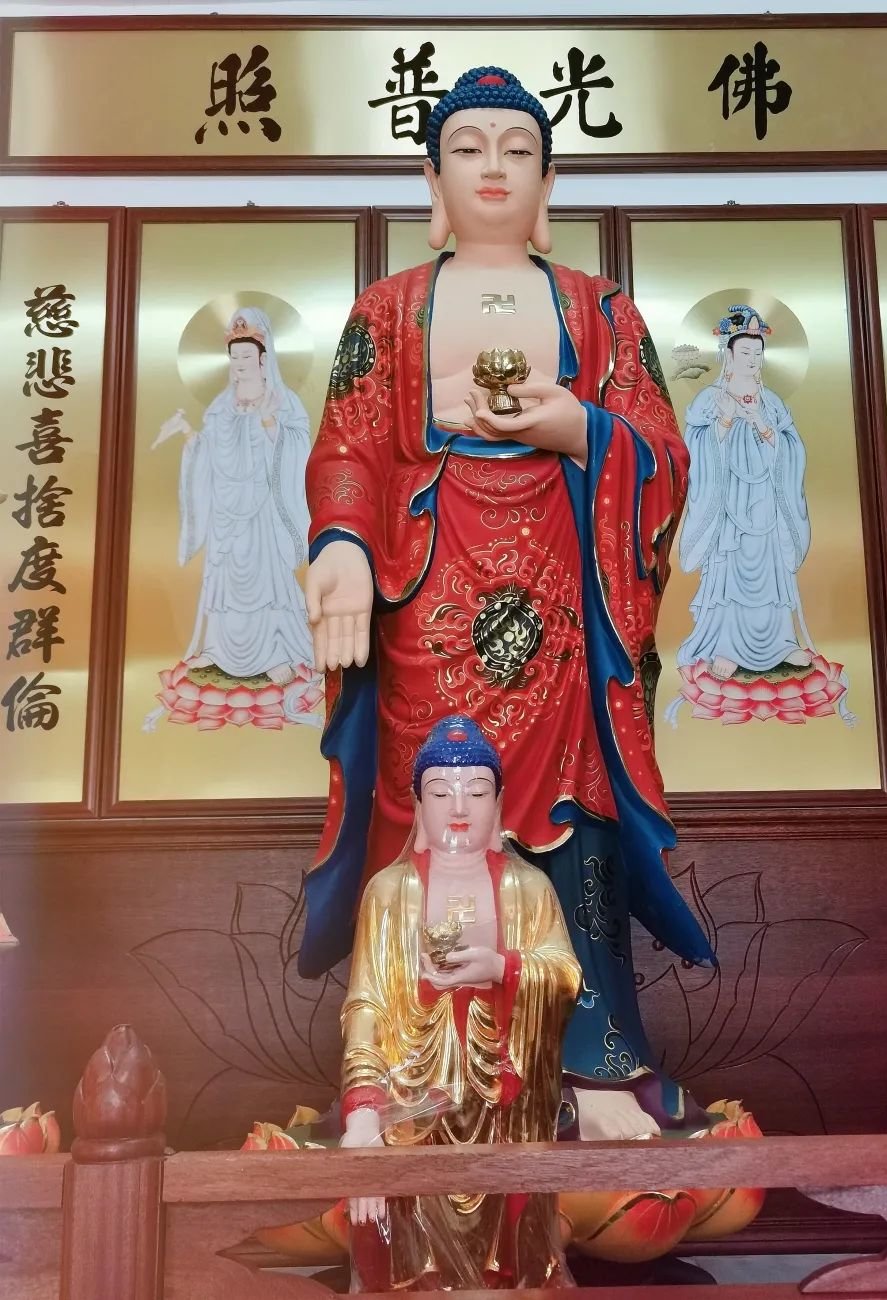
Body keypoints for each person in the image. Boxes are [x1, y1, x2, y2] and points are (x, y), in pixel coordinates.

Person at [299, 66, 715, 1133]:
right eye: (469, 148)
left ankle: (594, 1059)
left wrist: (575, 427)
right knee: (429, 806)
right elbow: (346, 445)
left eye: (517, 149)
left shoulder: (599, 308)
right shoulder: (388, 308)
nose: (493, 166)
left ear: (549, 182)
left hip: (562, 599)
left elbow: (663, 451)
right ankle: (404, 1066)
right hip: (428, 593)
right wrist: (342, 542)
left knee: (574, 815)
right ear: (431, 180)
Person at [340, 715, 580, 1290]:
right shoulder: (390, 892)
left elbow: (566, 976)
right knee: (411, 1257)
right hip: (412, 1105)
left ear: (498, 804)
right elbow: (366, 1005)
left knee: (512, 1257)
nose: (458, 807)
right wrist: (364, 1109)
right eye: (440, 791)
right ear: (417, 807)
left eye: (476, 791)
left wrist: (501, 968)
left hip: (506, 1103)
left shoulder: (529, 888)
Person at [153, 307, 314, 686]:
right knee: (225, 578)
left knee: (264, 579)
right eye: (234, 357)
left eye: (246, 356)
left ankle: (274, 652)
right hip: (226, 509)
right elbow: (210, 450)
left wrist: (269, 422)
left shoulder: (284, 400)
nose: (239, 364)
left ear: (263, 358)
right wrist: (190, 437)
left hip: (264, 509)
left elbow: (299, 448)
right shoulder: (220, 405)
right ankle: (218, 648)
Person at [677, 306, 812, 680]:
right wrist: (723, 420)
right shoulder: (708, 399)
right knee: (731, 572)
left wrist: (763, 427)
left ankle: (781, 642)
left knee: (770, 571)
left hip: (767, 501)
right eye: (745, 353)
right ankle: (727, 646)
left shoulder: (773, 402)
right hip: (728, 504)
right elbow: (694, 450)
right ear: (728, 355)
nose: (753, 360)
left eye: (758, 353)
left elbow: (793, 449)